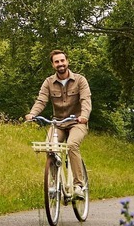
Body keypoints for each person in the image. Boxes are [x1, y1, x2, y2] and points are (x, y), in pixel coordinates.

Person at [25, 49, 92, 197]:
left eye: (62, 60)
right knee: (49, 147)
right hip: (58, 123)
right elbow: (41, 100)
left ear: (67, 61)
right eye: (57, 61)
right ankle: (54, 183)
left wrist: (84, 116)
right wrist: (32, 114)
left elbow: (85, 100)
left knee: (72, 145)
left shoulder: (80, 80)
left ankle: (78, 185)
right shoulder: (48, 82)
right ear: (53, 65)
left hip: (77, 122)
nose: (60, 64)